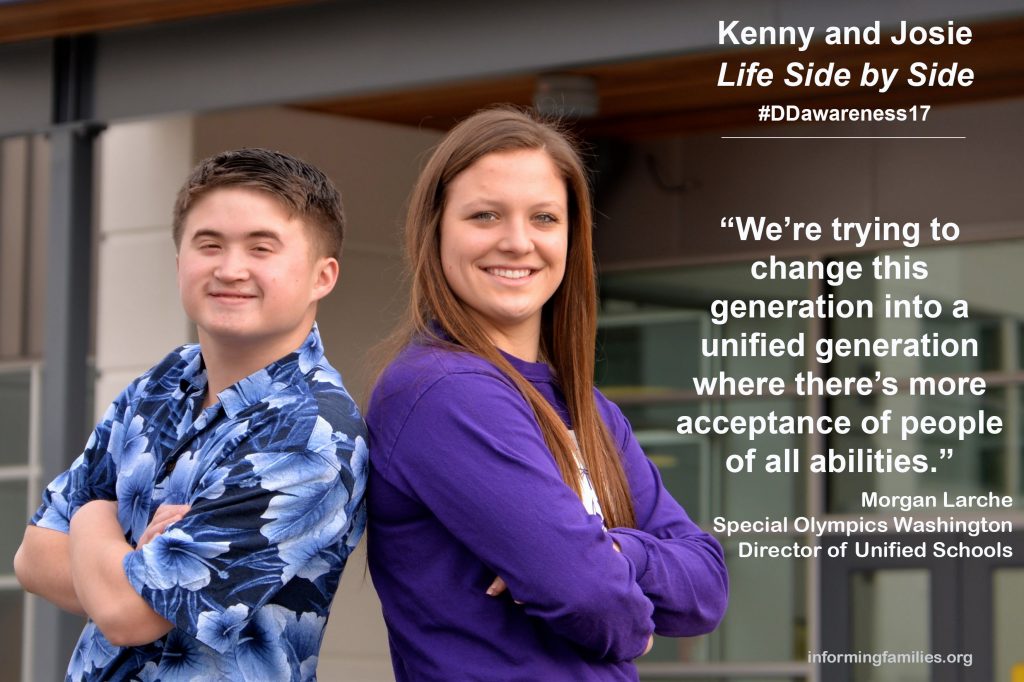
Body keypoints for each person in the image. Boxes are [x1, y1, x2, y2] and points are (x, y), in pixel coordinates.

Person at [366, 107, 728, 680]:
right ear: (434, 229)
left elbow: (706, 588)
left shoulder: (586, 407)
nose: (517, 242)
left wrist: (620, 554)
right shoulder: (443, 392)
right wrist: (628, 612)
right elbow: (591, 600)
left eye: (543, 218)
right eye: (485, 215)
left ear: (571, 235)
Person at [13, 148, 367, 681]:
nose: (230, 268)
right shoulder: (164, 382)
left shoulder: (313, 435)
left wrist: (91, 517)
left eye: (261, 247)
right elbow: (33, 559)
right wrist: (133, 556)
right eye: (209, 245)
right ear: (180, 262)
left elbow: (125, 615)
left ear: (323, 276)